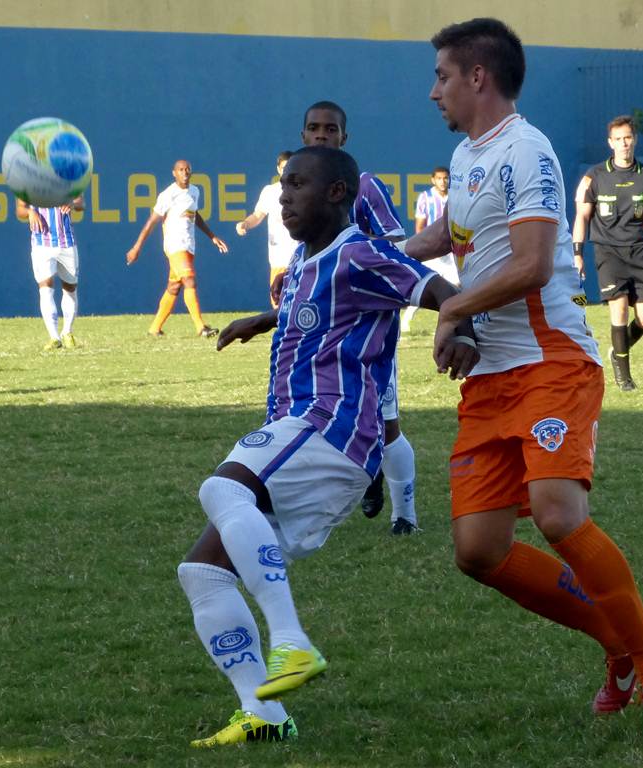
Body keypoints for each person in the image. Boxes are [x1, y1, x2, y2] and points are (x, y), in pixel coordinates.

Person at [402, 17, 643, 734]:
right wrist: (370, 263)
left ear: (478, 77)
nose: (431, 89)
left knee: (558, 512)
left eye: (441, 75)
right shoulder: (468, 155)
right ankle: (618, 641)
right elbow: (446, 239)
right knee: (479, 551)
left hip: (550, 363)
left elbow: (531, 265)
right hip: (489, 378)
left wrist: (449, 312)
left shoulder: (527, 151)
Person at [177, 145, 477, 748]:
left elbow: (439, 288)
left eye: (297, 186)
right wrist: (260, 321)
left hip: (332, 425)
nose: (284, 196)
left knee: (222, 487)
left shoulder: (358, 253)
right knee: (203, 572)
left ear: (337, 194)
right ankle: (263, 716)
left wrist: (459, 326)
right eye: (283, 186)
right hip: (306, 433)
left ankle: (291, 639)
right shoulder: (306, 263)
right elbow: (309, 310)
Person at [297, 100, 420, 536]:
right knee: (308, 414)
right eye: (314, 128)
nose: (322, 136)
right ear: (303, 135)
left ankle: (404, 515)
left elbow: (394, 243)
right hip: (316, 329)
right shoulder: (299, 185)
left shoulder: (364, 185)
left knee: (385, 423)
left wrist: (357, 269)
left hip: (364, 328)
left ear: (345, 138)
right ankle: (338, 489)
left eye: (331, 129)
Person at [571, 115, 643, 391]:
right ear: (610, 143)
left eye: (628, 138)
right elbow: (582, 216)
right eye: (618, 139)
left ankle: (619, 350)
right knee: (618, 308)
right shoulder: (594, 177)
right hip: (609, 253)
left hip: (640, 253)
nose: (624, 143)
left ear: (635, 140)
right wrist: (578, 252)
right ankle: (624, 378)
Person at [126, 159, 229, 338]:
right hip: (174, 245)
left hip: (189, 245)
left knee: (174, 286)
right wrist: (137, 247)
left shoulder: (195, 191)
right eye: (180, 170)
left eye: (187, 169)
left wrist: (212, 236)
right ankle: (200, 327)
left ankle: (154, 328)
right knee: (189, 280)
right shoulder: (168, 195)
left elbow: (194, 215)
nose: (185, 172)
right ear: (174, 173)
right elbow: (151, 222)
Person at [17, 197, 84, 350]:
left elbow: (81, 203)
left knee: (70, 287)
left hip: (66, 242)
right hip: (42, 243)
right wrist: (30, 212)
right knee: (45, 286)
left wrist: (73, 204)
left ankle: (67, 331)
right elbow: (20, 209)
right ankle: (54, 337)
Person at [236, 150, 298, 308]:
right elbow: (257, 215)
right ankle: (283, 331)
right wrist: (245, 224)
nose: (286, 171)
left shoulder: (303, 190)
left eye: (290, 167)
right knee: (278, 300)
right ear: (278, 169)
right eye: (283, 167)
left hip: (301, 254)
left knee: (301, 299)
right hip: (279, 257)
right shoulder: (270, 191)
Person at [401, 166, 458, 332]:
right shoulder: (425, 198)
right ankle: (407, 319)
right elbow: (420, 226)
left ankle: (451, 322)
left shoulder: (454, 197)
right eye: (439, 178)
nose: (443, 182)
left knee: (456, 284)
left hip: (450, 250)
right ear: (433, 180)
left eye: (445, 178)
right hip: (432, 250)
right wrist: (425, 248)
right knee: (426, 283)